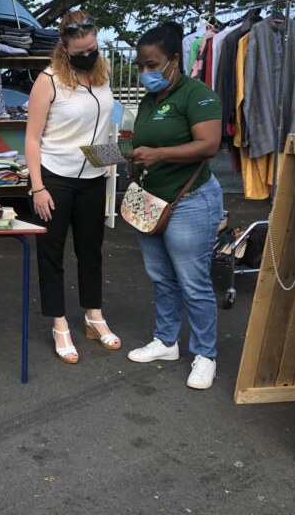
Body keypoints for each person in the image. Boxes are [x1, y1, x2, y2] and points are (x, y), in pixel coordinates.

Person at [125, 21, 224, 389]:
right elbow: (149, 143)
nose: (146, 72)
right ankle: (166, 341)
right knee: (161, 277)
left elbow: (209, 144)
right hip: (151, 202)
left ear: (174, 61)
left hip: (190, 202)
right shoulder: (152, 99)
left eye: (153, 65)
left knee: (193, 282)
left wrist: (159, 153)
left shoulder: (197, 95)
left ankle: (205, 354)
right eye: (141, 65)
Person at [25, 11, 119, 365]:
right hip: (54, 177)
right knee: (52, 253)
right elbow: (32, 140)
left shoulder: (102, 74)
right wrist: (37, 188)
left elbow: (98, 131)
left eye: (92, 47)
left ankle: (94, 316)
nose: (87, 54)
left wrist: (119, 154)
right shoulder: (48, 81)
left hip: (93, 177)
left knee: (91, 250)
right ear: (64, 48)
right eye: (79, 51)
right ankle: (59, 323)